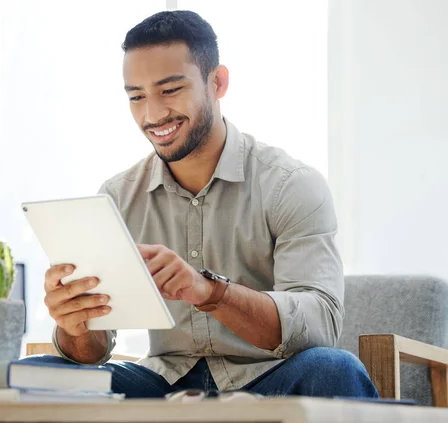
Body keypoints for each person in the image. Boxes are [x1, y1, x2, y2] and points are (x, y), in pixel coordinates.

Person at [32, 10, 378, 399]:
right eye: (137, 96)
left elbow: (320, 323)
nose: (152, 114)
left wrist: (210, 292)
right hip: (164, 382)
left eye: (170, 90)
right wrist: (75, 326)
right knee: (33, 377)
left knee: (334, 370)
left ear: (218, 82)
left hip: (270, 377)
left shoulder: (292, 185)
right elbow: (92, 351)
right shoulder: (116, 197)